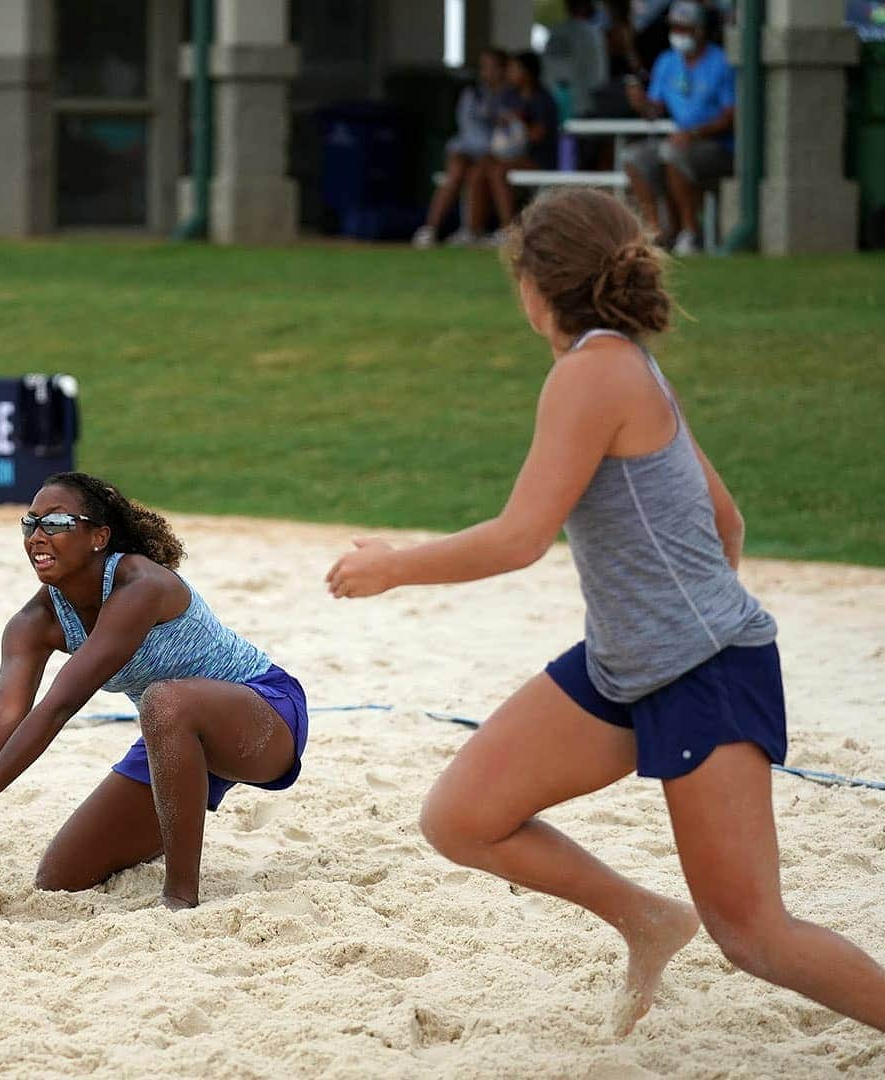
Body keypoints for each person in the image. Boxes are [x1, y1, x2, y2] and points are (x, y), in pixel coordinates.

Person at [326, 188, 885, 1034]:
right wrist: (667, 621)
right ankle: (649, 919)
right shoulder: (621, 360)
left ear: (533, 286)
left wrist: (391, 568)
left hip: (700, 673)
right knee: (463, 818)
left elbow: (520, 539)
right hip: (629, 664)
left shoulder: (592, 373)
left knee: (757, 936)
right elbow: (725, 520)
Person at [0, 472, 309, 909]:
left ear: (98, 537)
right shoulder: (34, 623)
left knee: (164, 700)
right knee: (62, 877)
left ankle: (180, 898)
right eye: (30, 524)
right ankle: (177, 810)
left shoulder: (140, 585)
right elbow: (3, 715)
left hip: (262, 712)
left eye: (57, 523)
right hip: (173, 741)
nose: (38, 536)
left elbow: (58, 705)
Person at [623, 0, 734, 255]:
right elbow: (655, 110)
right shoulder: (667, 61)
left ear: (700, 30)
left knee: (672, 153)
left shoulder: (720, 62)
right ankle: (656, 231)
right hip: (679, 139)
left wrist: (694, 134)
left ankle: (690, 232)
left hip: (716, 145)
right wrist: (640, 103)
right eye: (675, 28)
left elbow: (730, 117)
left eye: (684, 28)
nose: (678, 34)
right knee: (634, 157)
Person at [413, 48, 508, 249]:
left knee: (476, 174)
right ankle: (430, 228)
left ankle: (472, 230)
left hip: (494, 155)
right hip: (469, 149)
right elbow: (468, 130)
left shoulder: (510, 96)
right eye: (483, 68)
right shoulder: (472, 94)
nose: (486, 73)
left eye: (491, 67)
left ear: (502, 70)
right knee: (454, 174)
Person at [470, 52, 560, 245]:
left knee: (499, 171)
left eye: (513, 68)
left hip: (538, 159)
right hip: (511, 156)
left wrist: (519, 121)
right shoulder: (510, 96)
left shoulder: (543, 98)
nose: (509, 73)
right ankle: (473, 230)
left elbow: (538, 136)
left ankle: (508, 229)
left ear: (526, 72)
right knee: (480, 168)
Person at [541, 0, 609, 120]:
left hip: (553, 100)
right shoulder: (591, 33)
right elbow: (599, 77)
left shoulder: (555, 31)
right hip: (580, 104)